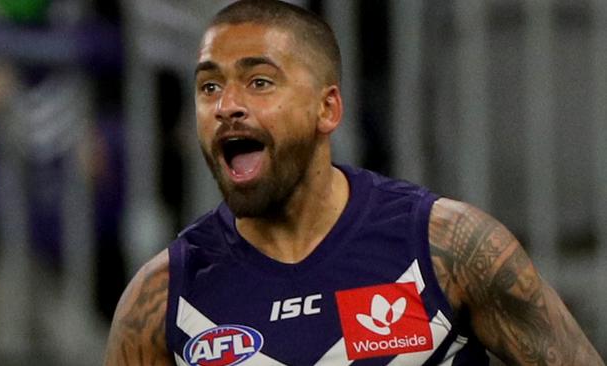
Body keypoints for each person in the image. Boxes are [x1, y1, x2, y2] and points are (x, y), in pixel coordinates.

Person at [104, 0, 604, 365]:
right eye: (209, 86)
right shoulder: (161, 299)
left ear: (328, 108)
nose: (226, 105)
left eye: (259, 82)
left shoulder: (447, 247)